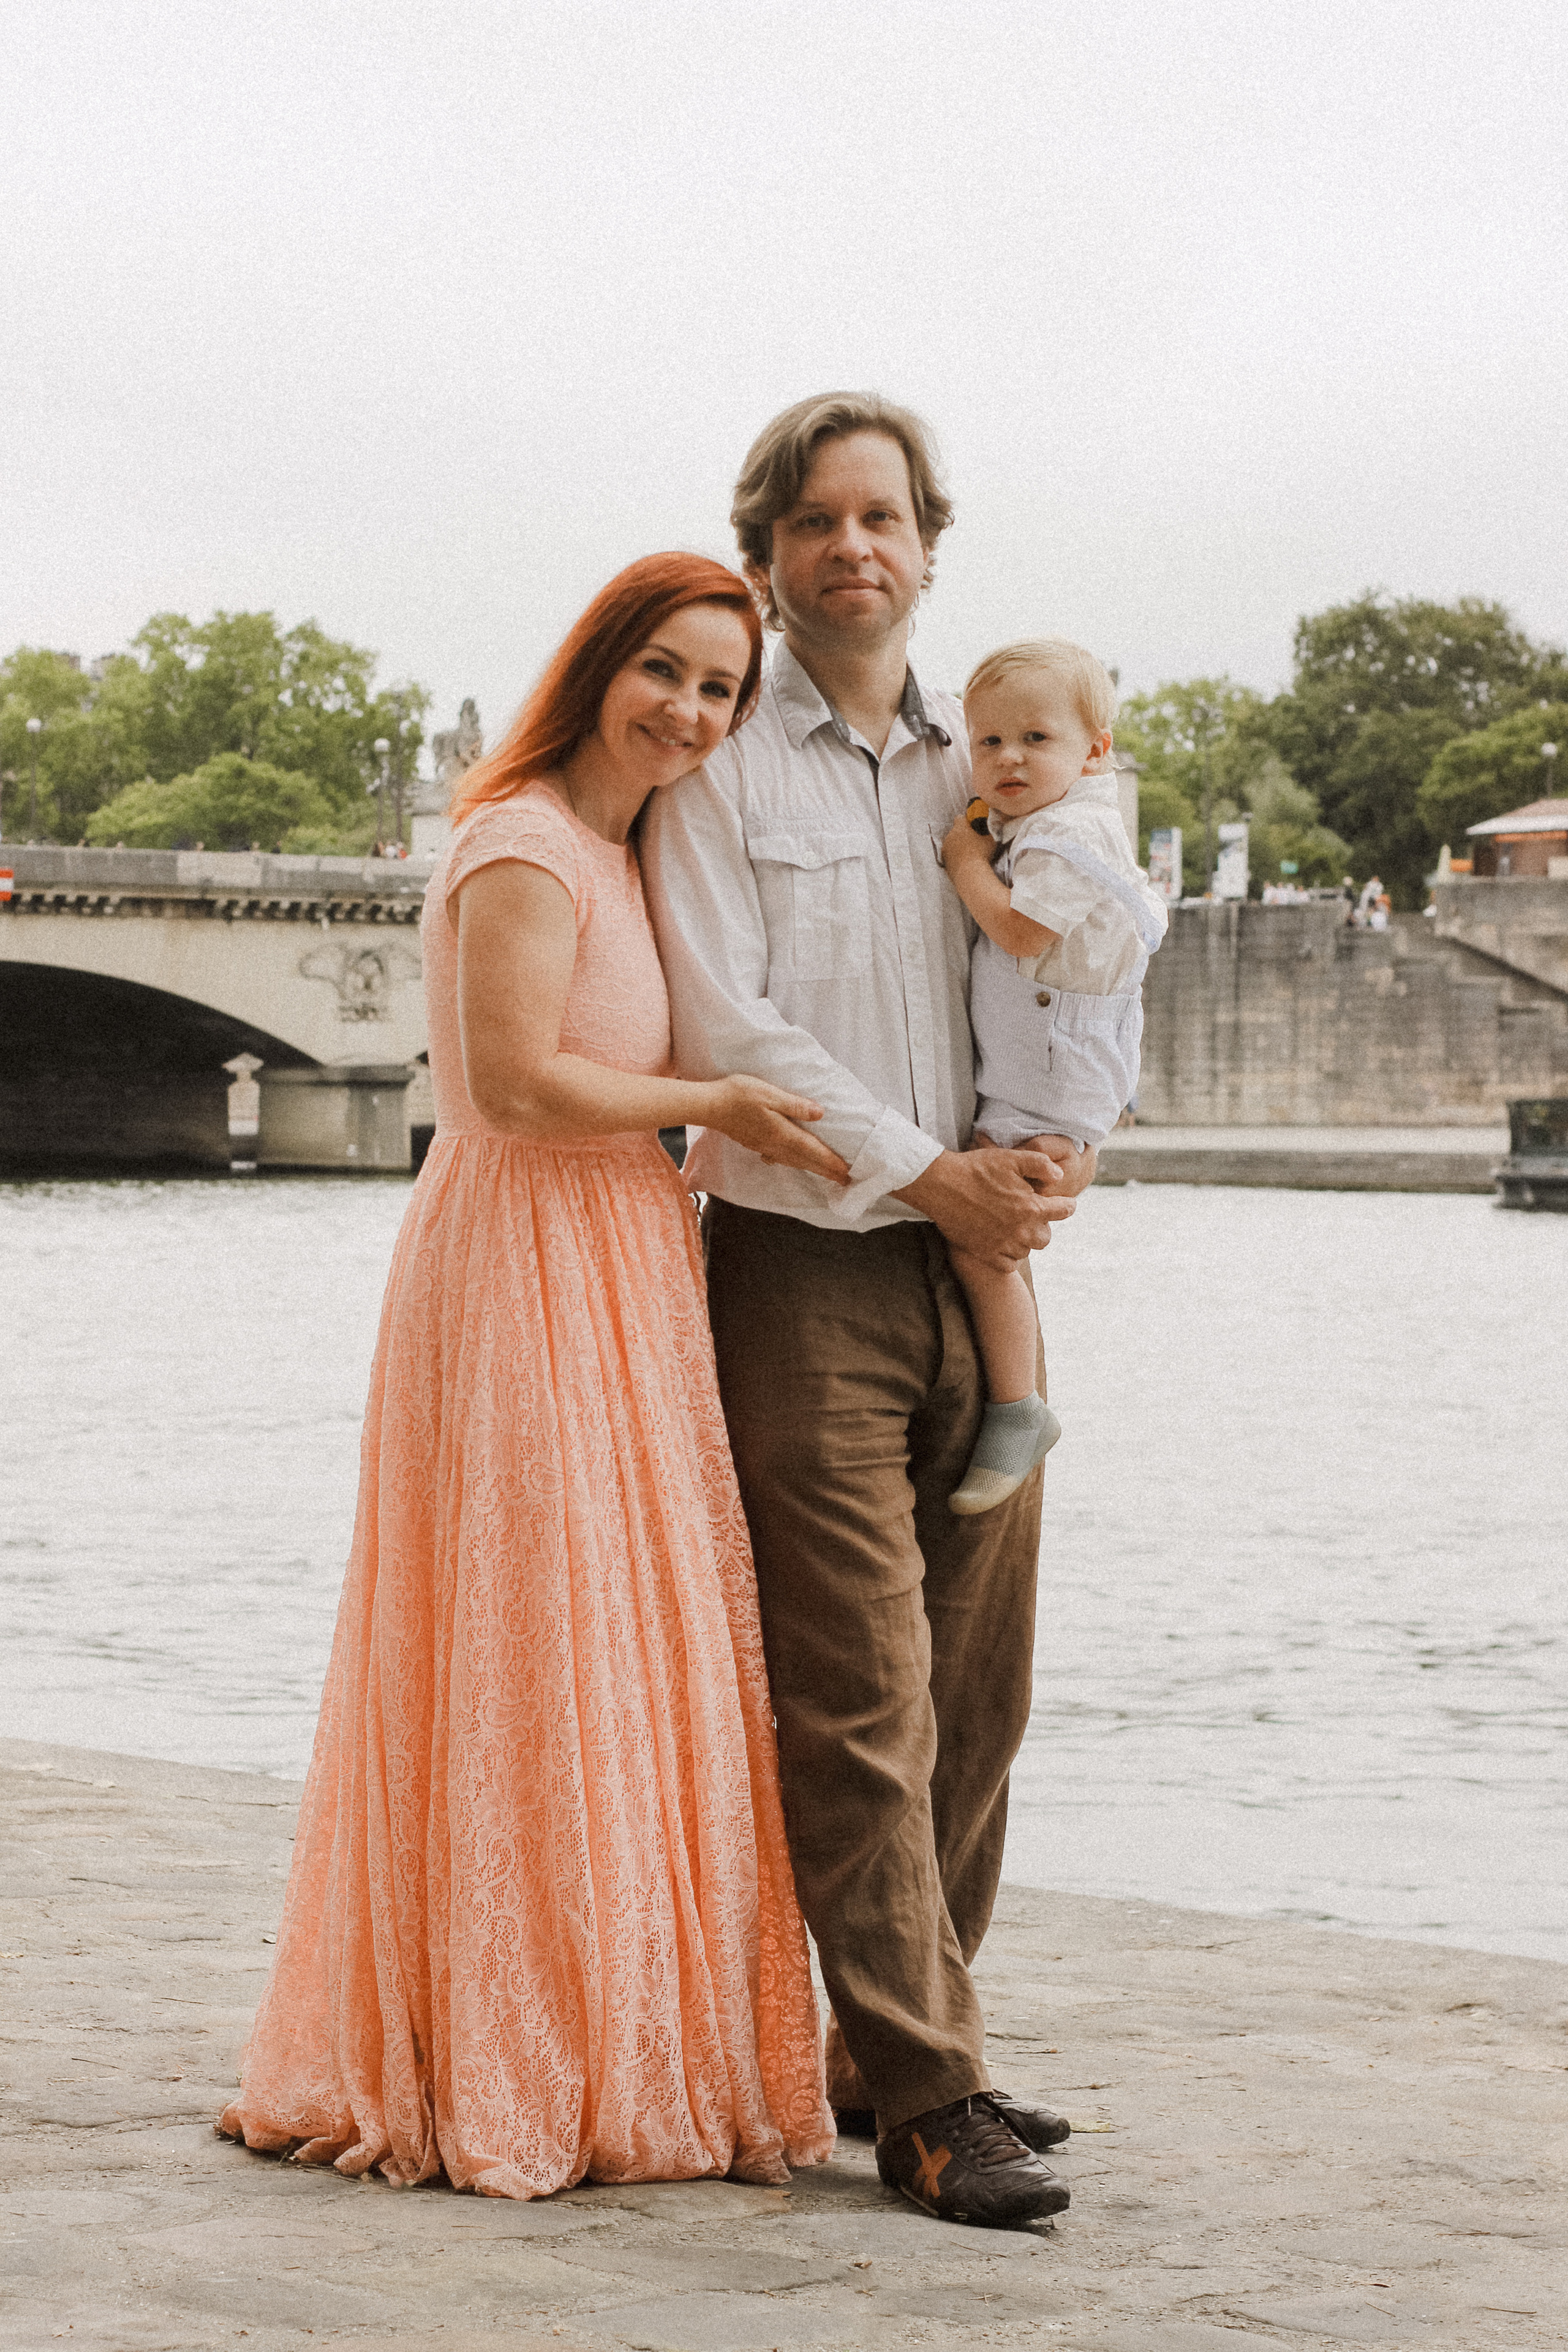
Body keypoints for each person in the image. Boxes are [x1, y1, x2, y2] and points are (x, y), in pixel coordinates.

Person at [219, 553, 839, 2199]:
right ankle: (508, 2050)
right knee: (532, 1642)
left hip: (624, 1254)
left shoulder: (636, 854)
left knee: (634, 1647)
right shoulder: (520, 840)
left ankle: (618, 2028)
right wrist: (717, 1099)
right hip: (523, 1260)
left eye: (721, 689)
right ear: (597, 668)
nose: (691, 714)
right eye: (666, 672)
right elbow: (503, 1085)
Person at [643, 395, 1093, 2230]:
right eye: (819, 520)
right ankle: (931, 2100)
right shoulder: (721, 767)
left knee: (978, 1695)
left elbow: (1080, 957)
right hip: (808, 1264)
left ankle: (901, 2046)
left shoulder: (994, 757)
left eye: (885, 516)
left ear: (928, 539)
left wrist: (1061, 1150)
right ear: (769, 551)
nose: (856, 548)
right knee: (857, 1695)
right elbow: (724, 1025)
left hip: (983, 1273)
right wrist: (932, 1174)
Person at [938, 639, 1168, 1515]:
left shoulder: (1074, 831)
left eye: (1035, 739)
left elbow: (1025, 931)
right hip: (1041, 1062)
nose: (1007, 759)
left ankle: (1017, 1405)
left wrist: (961, 863)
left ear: (1095, 752)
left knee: (984, 1241)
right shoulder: (1039, 817)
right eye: (988, 741)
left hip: (1055, 1069)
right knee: (989, 1228)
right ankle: (1015, 1400)